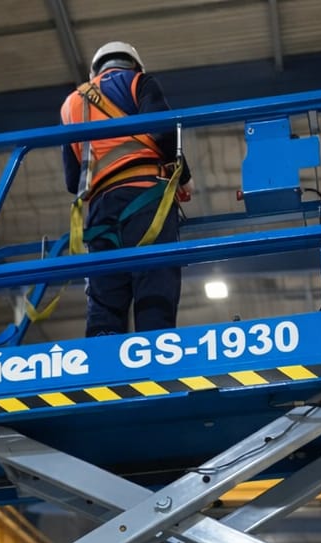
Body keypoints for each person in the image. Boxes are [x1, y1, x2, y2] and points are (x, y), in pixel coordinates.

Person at [61, 41, 193, 337]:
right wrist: (184, 177)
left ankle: (103, 352)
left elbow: (72, 180)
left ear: (95, 71)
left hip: (100, 211)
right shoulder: (138, 82)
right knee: (154, 279)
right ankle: (154, 348)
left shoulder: (70, 104)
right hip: (146, 199)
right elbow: (163, 131)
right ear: (135, 65)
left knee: (105, 294)